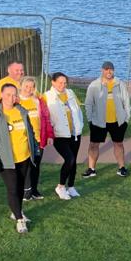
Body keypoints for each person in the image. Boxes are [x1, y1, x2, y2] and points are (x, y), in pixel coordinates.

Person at [0, 83, 38, 233]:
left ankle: (16, 212)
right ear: (1, 95)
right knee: (12, 188)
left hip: (24, 158)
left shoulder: (21, 110)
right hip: (6, 161)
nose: (11, 98)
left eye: (14, 95)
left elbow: (30, 132)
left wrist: (35, 150)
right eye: (8, 95)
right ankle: (20, 220)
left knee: (19, 187)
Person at [83, 61, 130, 178]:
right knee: (94, 144)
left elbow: (126, 102)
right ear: (102, 70)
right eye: (106, 69)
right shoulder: (94, 85)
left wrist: (126, 118)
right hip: (98, 121)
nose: (109, 71)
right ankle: (91, 169)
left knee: (118, 144)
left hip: (117, 121)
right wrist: (90, 119)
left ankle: (122, 168)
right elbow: (88, 103)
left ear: (113, 70)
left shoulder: (120, 84)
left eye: (111, 69)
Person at [44, 72, 84, 200]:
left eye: (65, 82)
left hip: (74, 133)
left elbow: (78, 109)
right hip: (59, 134)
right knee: (69, 159)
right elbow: (44, 116)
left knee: (74, 161)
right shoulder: (47, 96)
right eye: (60, 82)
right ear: (53, 82)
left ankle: (71, 187)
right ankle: (60, 187)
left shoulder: (70, 93)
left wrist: (80, 124)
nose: (63, 85)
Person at [17, 76, 53, 201]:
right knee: (26, 166)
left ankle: (34, 190)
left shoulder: (38, 101)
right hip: (24, 139)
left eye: (32, 86)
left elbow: (46, 119)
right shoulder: (16, 101)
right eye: (26, 86)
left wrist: (49, 135)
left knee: (36, 165)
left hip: (38, 139)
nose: (29, 89)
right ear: (21, 86)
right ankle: (26, 192)